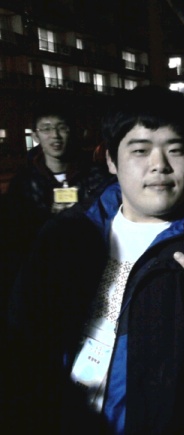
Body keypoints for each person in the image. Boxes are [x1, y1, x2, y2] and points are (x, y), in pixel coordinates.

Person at [4, 86, 184, 434]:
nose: (159, 165)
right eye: (140, 150)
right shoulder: (65, 236)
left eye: (175, 150)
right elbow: (21, 337)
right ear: (111, 159)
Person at [0, 106, 110, 309]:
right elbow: (14, 235)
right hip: (40, 275)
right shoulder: (23, 182)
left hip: (88, 269)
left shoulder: (96, 175)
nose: (55, 136)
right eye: (46, 129)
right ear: (35, 136)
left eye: (62, 127)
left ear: (72, 131)